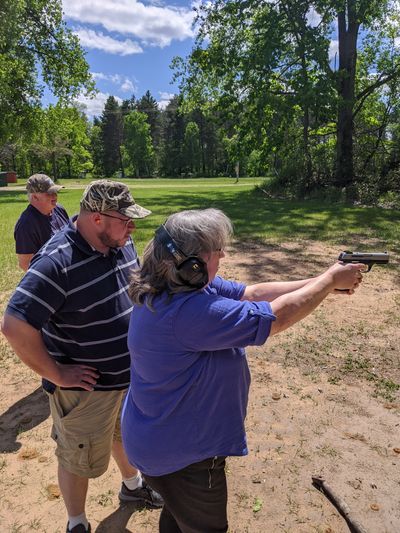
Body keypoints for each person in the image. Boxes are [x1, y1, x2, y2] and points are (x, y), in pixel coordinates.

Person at [121, 208, 364, 533]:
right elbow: (275, 318)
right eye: (215, 252)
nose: (222, 256)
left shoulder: (175, 284)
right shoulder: (186, 312)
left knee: (180, 517)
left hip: (161, 441)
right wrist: (330, 281)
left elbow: (251, 294)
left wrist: (324, 281)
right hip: (183, 456)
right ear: (191, 264)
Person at [1, 180, 163, 533]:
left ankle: (132, 487)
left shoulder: (119, 241)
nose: (132, 227)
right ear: (97, 219)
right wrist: (58, 374)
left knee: (123, 435)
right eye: (125, 220)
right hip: (87, 391)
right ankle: (76, 522)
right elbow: (14, 325)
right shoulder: (57, 261)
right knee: (78, 457)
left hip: (126, 378)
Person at [14, 173, 70, 271]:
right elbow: (25, 264)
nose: (55, 196)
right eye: (49, 193)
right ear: (35, 197)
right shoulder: (26, 224)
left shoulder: (59, 209)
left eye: (55, 192)